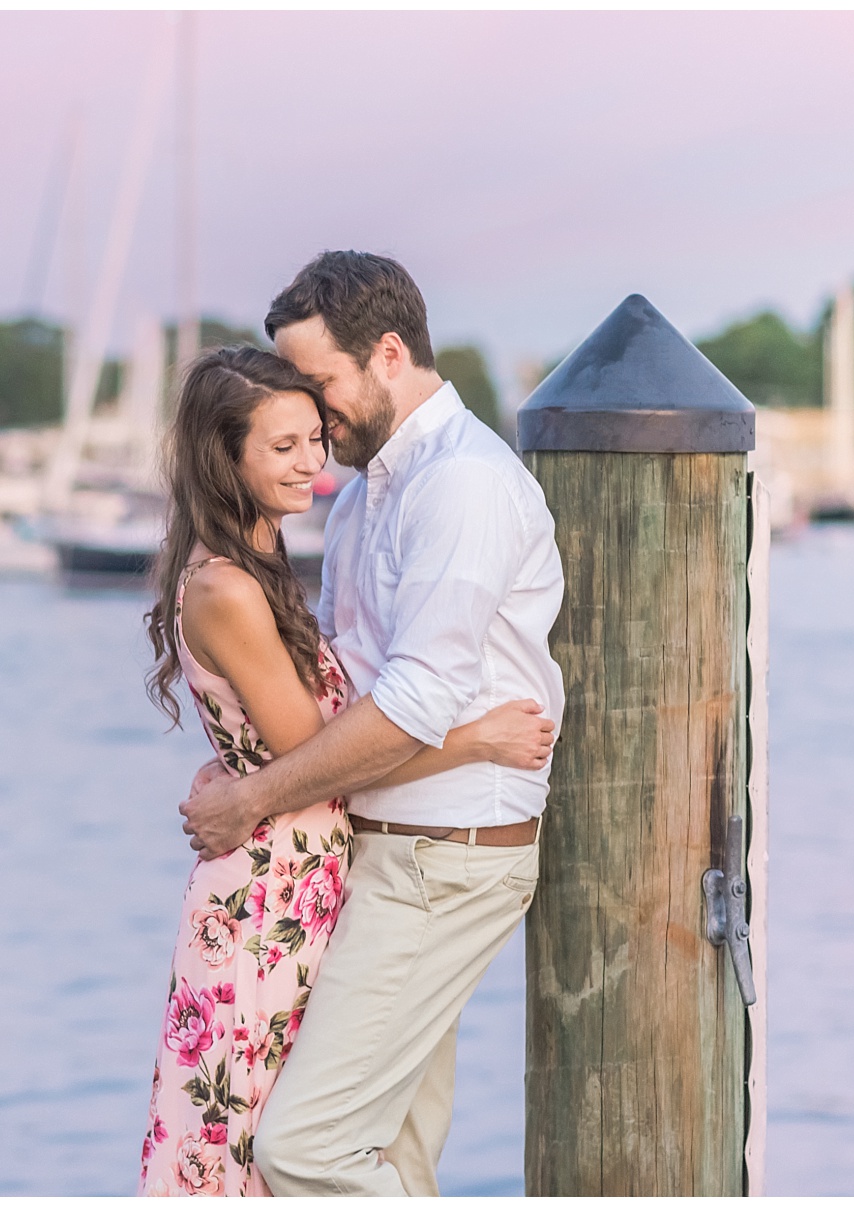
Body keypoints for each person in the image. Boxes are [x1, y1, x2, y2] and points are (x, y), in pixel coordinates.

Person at [177, 253, 566, 1196]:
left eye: (319, 384)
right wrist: (235, 760)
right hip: (373, 850)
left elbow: (414, 703)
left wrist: (249, 799)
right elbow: (341, 694)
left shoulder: (461, 486)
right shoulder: (362, 497)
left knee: (304, 1150)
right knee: (390, 1155)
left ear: (388, 353)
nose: (311, 415)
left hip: (443, 856)